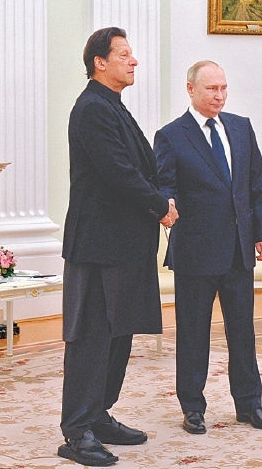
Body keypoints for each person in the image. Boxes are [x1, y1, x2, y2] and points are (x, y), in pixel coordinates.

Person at [58, 27, 178, 467]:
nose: (134, 61)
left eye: (133, 54)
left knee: (118, 335)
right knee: (91, 338)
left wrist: (162, 196)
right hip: (97, 247)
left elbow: (140, 166)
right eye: (124, 54)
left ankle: (99, 415)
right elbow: (119, 172)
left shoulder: (114, 107)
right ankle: (77, 432)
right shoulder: (91, 108)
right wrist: (159, 205)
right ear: (99, 63)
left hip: (124, 246)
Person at [154, 60, 262, 435]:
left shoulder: (241, 127)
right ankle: (192, 407)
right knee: (193, 333)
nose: (219, 96)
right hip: (195, 250)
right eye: (211, 89)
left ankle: (250, 405)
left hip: (239, 249)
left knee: (243, 332)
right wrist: (165, 206)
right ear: (191, 89)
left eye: (223, 88)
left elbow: (256, 182)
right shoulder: (171, 135)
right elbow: (164, 184)